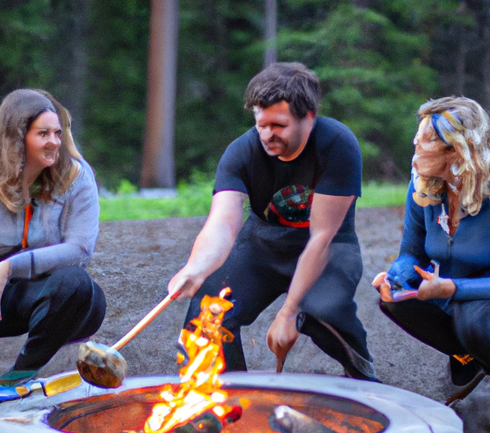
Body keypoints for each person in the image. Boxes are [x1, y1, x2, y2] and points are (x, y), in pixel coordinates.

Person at [168, 62, 377, 381]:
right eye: (260, 124)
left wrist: (289, 311)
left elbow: (321, 237)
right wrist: (196, 267)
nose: (267, 135)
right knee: (207, 314)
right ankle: (226, 400)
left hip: (328, 247)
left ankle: (363, 376)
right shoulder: (242, 152)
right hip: (261, 246)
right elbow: (222, 222)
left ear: (308, 116)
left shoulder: (337, 144)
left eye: (278, 126)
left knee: (325, 310)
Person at [0, 88, 106, 384]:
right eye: (43, 134)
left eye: (57, 133)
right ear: (16, 137)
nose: (55, 142)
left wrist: (7, 268)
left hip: (43, 296)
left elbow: (79, 250)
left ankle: (17, 376)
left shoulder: (77, 177)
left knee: (81, 287)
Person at [372, 96, 490, 389]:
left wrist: (453, 288)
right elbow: (411, 253)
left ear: (455, 150)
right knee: (395, 300)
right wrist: (397, 276)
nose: (414, 142)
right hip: (452, 294)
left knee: (471, 317)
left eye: (425, 139)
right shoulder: (423, 187)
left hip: (482, 300)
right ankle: (468, 357)